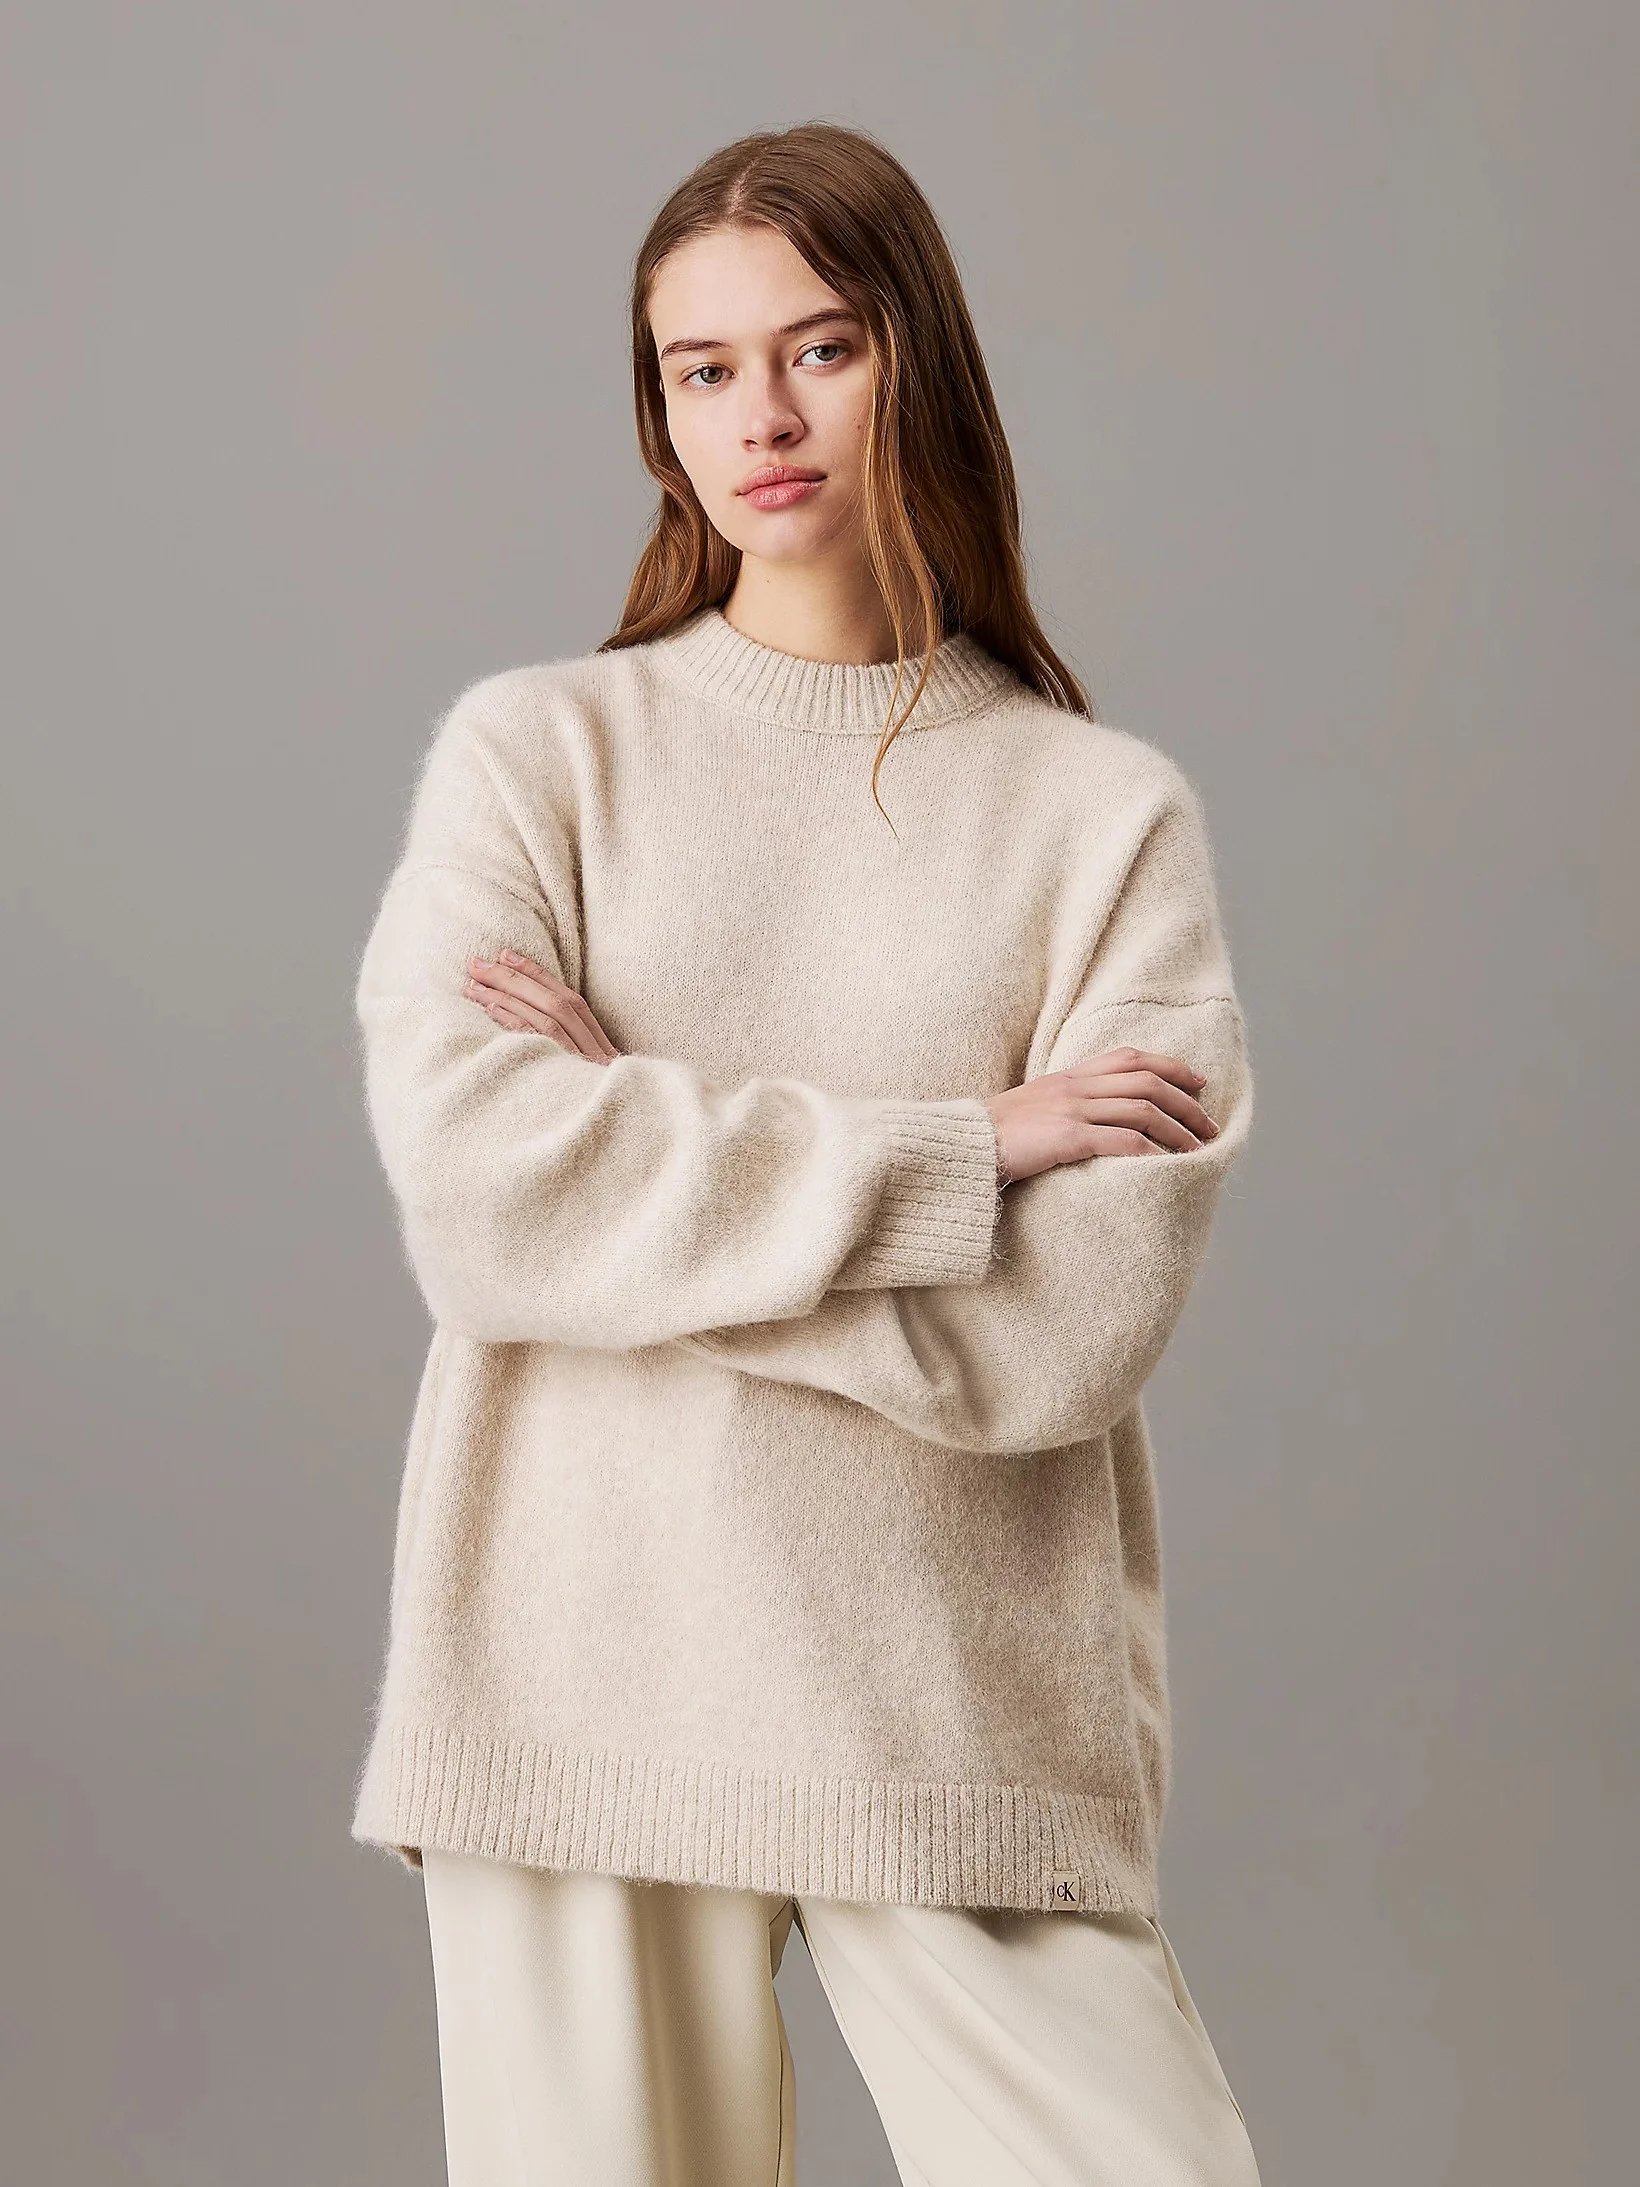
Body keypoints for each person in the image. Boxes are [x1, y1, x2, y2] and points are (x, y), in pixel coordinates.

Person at [349, 119, 1263, 2186]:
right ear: (659, 416)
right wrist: (960, 1157)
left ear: (915, 358)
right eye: (703, 367)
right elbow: (485, 1200)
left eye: (821, 348)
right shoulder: (541, 755)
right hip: (578, 1672)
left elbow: (1067, 1336)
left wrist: (641, 1208)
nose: (760, 415)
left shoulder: (1097, 816)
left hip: (957, 1699)